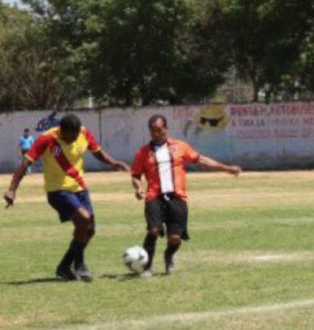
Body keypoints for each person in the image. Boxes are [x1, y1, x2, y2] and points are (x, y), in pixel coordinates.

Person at [3, 114, 130, 281]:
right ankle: (80, 265)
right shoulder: (46, 139)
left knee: (89, 230)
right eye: (70, 136)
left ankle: (64, 267)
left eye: (76, 136)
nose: (73, 139)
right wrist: (12, 189)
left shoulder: (84, 133)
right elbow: (25, 164)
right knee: (84, 220)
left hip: (80, 188)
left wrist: (113, 163)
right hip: (58, 191)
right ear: (62, 132)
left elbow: (97, 152)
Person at [131, 115, 242, 277]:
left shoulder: (179, 146)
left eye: (160, 130)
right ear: (150, 132)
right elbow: (135, 175)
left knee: (175, 238)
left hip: (177, 198)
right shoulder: (143, 152)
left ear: (166, 129)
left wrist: (226, 168)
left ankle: (169, 255)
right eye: (153, 131)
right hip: (154, 196)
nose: (157, 134)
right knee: (153, 230)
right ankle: (147, 267)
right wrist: (138, 187)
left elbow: (201, 159)